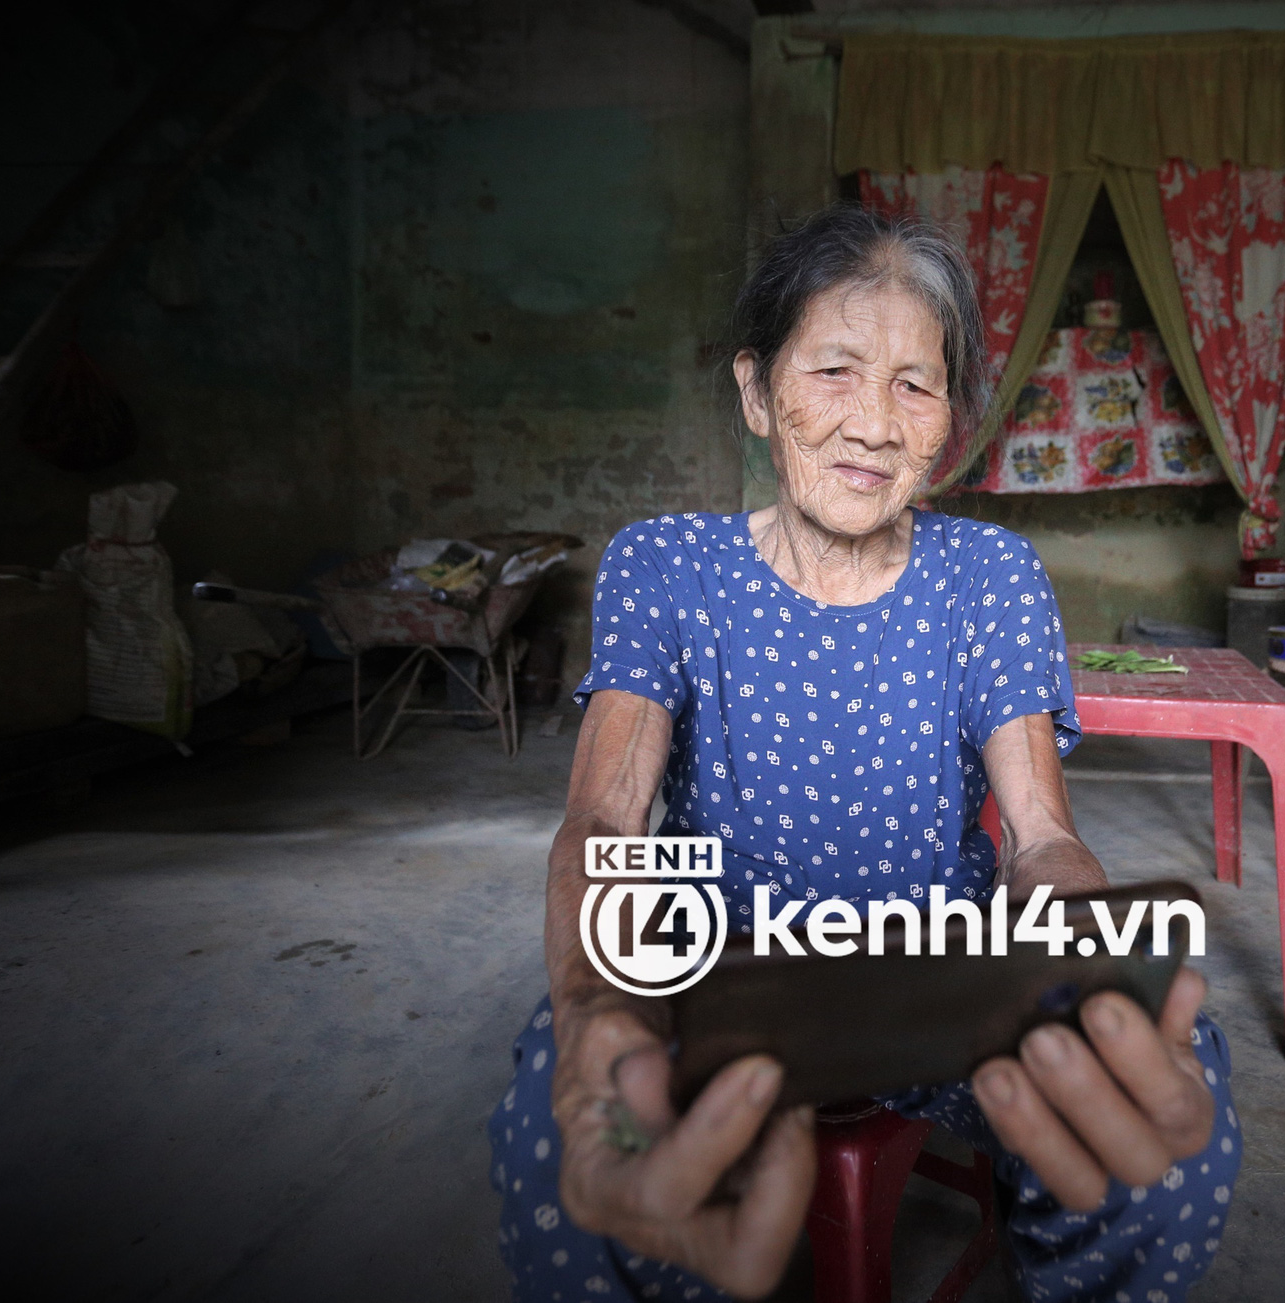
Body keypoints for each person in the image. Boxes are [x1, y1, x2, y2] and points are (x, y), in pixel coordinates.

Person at [492, 205, 1241, 1302]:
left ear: (951, 419)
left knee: (1166, 1111)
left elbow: (1039, 835)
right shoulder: (665, 564)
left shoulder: (988, 573)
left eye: (914, 384)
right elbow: (604, 822)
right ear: (757, 392)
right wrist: (597, 1006)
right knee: (566, 1144)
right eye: (834, 369)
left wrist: (1084, 968)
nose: (874, 425)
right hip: (720, 976)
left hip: (942, 980)